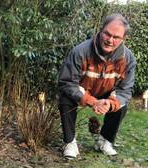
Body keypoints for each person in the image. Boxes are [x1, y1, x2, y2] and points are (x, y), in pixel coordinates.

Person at [58, 13, 136, 159]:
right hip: (83, 91)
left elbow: (125, 90)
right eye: (107, 34)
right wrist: (91, 101)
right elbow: (67, 82)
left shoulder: (129, 59)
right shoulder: (80, 51)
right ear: (100, 31)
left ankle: (104, 140)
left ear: (123, 39)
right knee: (65, 98)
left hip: (108, 94)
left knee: (121, 105)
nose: (110, 40)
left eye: (116, 37)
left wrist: (110, 102)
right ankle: (69, 142)